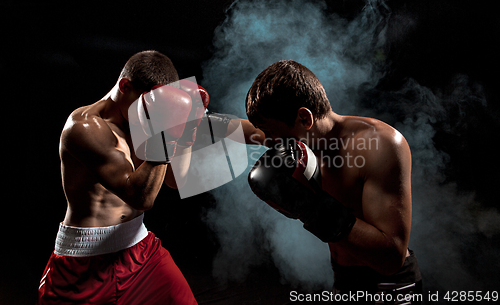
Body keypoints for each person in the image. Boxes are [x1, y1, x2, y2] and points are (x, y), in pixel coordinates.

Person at [246, 60, 422, 303]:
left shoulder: (380, 145)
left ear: (304, 118)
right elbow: (234, 129)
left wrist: (308, 206)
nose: (270, 142)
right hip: (345, 280)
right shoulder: (294, 138)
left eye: (273, 134)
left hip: (391, 285)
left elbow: (391, 259)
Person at [37, 50, 203, 305]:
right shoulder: (84, 127)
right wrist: (166, 134)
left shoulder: (141, 120)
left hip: (141, 252)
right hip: (83, 264)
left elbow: (175, 181)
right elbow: (140, 197)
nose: (150, 114)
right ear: (124, 86)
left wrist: (186, 131)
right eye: (146, 105)